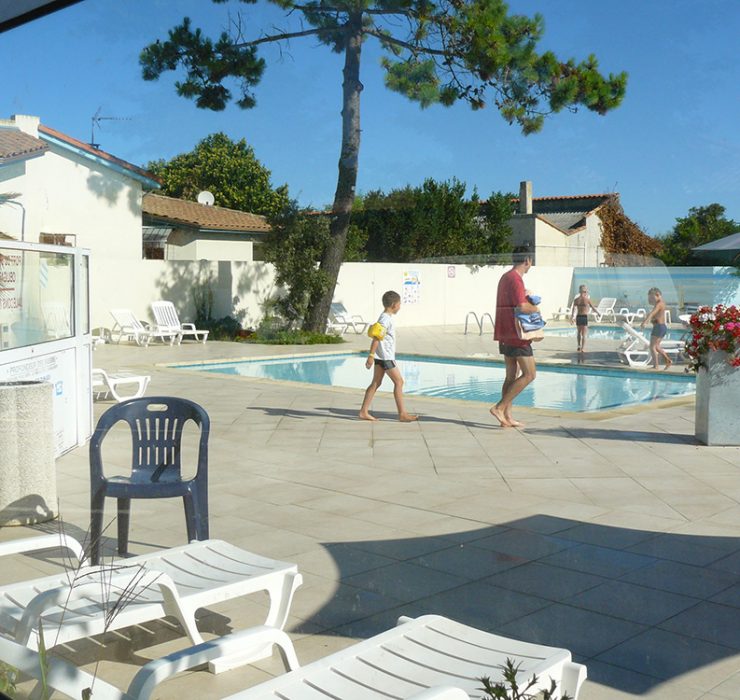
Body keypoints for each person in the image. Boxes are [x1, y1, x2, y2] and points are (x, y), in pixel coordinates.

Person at [491, 247, 539, 428]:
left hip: (505, 333)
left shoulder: (505, 277)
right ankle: (500, 407)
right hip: (517, 335)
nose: (530, 265)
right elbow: (521, 307)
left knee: (511, 376)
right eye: (530, 261)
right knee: (530, 374)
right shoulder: (516, 279)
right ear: (527, 260)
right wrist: (536, 308)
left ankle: (507, 417)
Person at [359, 290, 418, 422]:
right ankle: (402, 414)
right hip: (385, 358)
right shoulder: (385, 318)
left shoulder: (386, 317)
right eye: (399, 304)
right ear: (393, 304)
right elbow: (376, 337)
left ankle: (363, 411)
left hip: (382, 357)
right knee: (399, 382)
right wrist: (371, 355)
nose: (400, 306)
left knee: (376, 383)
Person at [640, 287, 673, 369]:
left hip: (659, 327)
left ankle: (656, 366)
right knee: (657, 346)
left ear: (658, 295)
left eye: (652, 297)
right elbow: (654, 313)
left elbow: (652, 313)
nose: (650, 299)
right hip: (661, 327)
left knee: (652, 347)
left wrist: (645, 322)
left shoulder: (659, 304)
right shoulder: (659, 303)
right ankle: (668, 360)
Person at [570, 285, 598, 352]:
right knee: (584, 334)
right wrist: (598, 313)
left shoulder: (576, 300)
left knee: (579, 332)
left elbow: (573, 310)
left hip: (578, 316)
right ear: (584, 291)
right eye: (585, 291)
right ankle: (583, 348)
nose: (586, 292)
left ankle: (579, 346)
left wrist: (572, 317)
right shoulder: (587, 299)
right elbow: (593, 308)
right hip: (584, 317)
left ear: (579, 291)